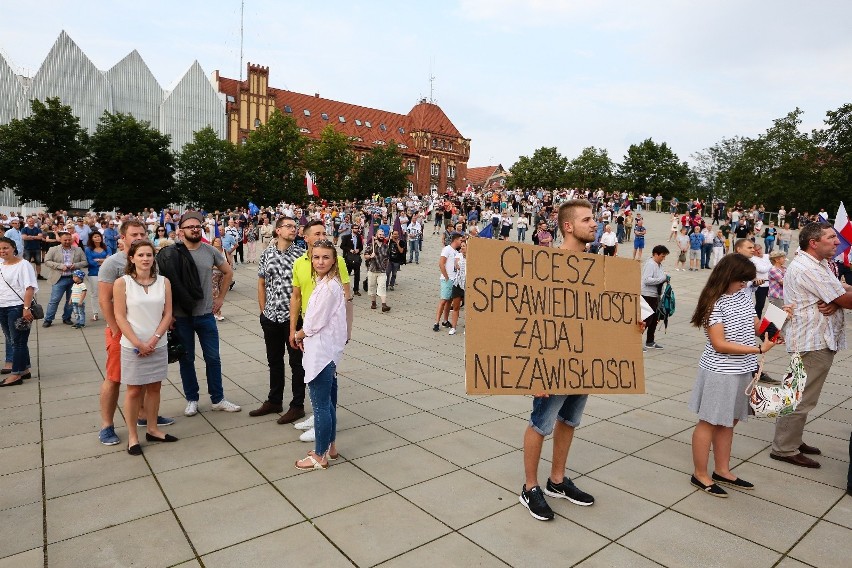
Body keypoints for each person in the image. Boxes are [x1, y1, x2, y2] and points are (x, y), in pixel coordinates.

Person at [520, 199, 597, 522]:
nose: (595, 223)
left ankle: (557, 480)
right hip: (552, 362)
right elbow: (532, 317)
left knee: (570, 420)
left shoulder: (596, 266)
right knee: (542, 423)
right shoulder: (548, 263)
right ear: (568, 226)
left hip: (583, 360)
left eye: (595, 218)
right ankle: (530, 487)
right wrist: (536, 371)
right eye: (587, 219)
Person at [687, 254, 779, 496]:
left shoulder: (744, 296)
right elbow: (719, 344)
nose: (744, 284)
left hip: (743, 369)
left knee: (730, 421)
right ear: (728, 276)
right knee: (709, 421)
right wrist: (758, 349)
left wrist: (779, 318)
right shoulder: (713, 302)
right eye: (741, 280)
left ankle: (722, 470)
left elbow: (757, 326)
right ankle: (700, 474)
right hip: (720, 371)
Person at [770, 222, 852, 468]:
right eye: (831, 238)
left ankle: (792, 438)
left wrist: (837, 301)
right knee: (800, 397)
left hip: (817, 339)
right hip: (812, 342)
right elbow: (844, 296)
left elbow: (840, 291)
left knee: (803, 394)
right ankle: (784, 448)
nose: (837, 242)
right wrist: (840, 300)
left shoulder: (820, 264)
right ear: (813, 243)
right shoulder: (808, 268)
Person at [159, 212, 241, 417]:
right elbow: (162, 285)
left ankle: (218, 398)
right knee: (186, 359)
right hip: (181, 316)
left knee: (213, 358)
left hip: (205, 314)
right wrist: (166, 314)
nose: (195, 229)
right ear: (181, 231)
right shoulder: (171, 253)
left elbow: (228, 272)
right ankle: (192, 399)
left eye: (198, 226)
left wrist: (220, 298)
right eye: (190, 227)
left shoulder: (210, 251)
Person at [289, 220, 353, 438]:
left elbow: (347, 297)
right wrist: (293, 328)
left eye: (324, 232)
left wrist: (347, 331)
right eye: (316, 233)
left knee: (325, 380)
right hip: (307, 326)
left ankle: (322, 428)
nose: (321, 236)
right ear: (305, 237)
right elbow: (296, 296)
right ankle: (317, 417)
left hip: (325, 330)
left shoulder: (337, 262)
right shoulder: (299, 263)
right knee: (312, 376)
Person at [113, 240, 176, 456]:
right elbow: (119, 316)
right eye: (140, 255)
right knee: (134, 390)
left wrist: (155, 339)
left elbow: (168, 313)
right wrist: (138, 343)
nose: (145, 259)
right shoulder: (122, 283)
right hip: (133, 345)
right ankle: (132, 436)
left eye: (149, 255)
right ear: (132, 258)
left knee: (155, 388)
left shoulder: (163, 282)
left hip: (158, 343)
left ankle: (152, 428)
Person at [293, 240, 348, 470]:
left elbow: (314, 323)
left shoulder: (328, 287)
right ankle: (330, 447)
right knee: (329, 403)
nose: (320, 261)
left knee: (321, 406)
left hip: (322, 353)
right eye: (316, 257)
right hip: (326, 350)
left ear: (334, 259)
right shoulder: (326, 283)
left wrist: (298, 334)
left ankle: (319, 455)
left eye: (325, 257)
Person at [252, 216, 308, 425]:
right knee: (274, 360)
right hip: (271, 317)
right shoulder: (267, 254)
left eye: (295, 226)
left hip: (293, 318)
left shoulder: (302, 255)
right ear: (278, 231)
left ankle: (297, 406)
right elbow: (261, 283)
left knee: (296, 363)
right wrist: (263, 311)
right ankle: (274, 400)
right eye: (289, 226)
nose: (294, 229)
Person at [0, 237, 36, 387]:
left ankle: (16, 374)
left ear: (14, 248)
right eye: (0, 249)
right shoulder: (1, 265)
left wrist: (26, 308)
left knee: (18, 342)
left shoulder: (23, 265)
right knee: (12, 339)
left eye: (5, 248)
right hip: (2, 306)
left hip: (17, 307)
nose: (2, 251)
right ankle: (25, 369)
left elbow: (30, 287)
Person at [42, 232, 87, 327]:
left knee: (71, 300)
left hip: (74, 279)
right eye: (65, 240)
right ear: (60, 240)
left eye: (69, 240)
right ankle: (48, 319)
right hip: (59, 278)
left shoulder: (78, 249)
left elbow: (84, 262)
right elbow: (47, 261)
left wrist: (76, 265)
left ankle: (67, 318)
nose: (67, 241)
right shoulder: (53, 249)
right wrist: (60, 266)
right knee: (54, 300)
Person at [642, 245, 670, 351]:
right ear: (655, 254)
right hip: (647, 295)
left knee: (654, 320)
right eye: (662, 256)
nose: (663, 258)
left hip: (655, 295)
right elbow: (646, 280)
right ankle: (634, 343)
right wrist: (662, 279)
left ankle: (650, 341)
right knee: (646, 320)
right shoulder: (650, 264)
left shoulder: (659, 265)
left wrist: (664, 279)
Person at [433, 232, 463, 331]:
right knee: (443, 300)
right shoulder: (447, 249)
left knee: (449, 301)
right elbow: (441, 263)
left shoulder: (456, 252)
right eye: (460, 240)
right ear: (455, 240)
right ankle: (436, 322)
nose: (461, 242)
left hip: (454, 279)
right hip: (448, 279)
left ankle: (445, 320)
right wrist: (446, 277)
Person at [85, 232, 110, 322]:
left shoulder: (106, 247)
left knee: (107, 294)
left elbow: (110, 260)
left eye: (99, 236)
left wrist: (99, 260)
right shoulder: (88, 249)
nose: (97, 238)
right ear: (92, 239)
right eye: (95, 237)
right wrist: (104, 260)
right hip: (94, 273)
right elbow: (91, 262)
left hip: (107, 273)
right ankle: (95, 313)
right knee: (95, 294)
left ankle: (108, 313)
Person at [364, 228, 391, 311]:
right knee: (372, 287)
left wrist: (386, 264)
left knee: (382, 287)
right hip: (372, 270)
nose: (382, 236)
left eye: (383, 235)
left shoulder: (386, 246)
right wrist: (370, 256)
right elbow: (365, 255)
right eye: (380, 234)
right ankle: (373, 303)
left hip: (382, 271)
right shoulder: (371, 245)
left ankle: (384, 305)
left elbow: (388, 257)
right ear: (376, 236)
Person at [447, 239, 467, 336]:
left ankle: (467, 327)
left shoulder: (473, 257)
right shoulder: (458, 255)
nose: (462, 247)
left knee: (468, 308)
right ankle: (453, 327)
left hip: (468, 285)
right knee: (456, 306)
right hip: (458, 283)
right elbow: (457, 265)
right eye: (461, 246)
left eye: (464, 246)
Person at [340, 224, 363, 296]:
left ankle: (356, 289)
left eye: (357, 228)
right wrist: (350, 250)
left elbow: (361, 247)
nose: (356, 229)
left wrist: (358, 250)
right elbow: (342, 246)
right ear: (352, 229)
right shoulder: (347, 237)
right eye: (355, 228)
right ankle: (344, 289)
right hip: (348, 258)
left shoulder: (359, 237)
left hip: (356, 257)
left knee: (357, 274)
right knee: (347, 274)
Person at [750, 244, 771, 317]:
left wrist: (769, 265)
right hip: (760, 285)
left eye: (759, 249)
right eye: (756, 250)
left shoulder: (767, 256)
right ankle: (756, 323)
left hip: (771, 284)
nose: (759, 252)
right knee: (760, 305)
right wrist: (771, 263)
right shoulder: (752, 259)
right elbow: (762, 270)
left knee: (774, 305)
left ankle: (773, 324)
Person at [210, 237, 226, 321]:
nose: (218, 242)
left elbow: (228, 261)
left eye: (219, 241)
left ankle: (213, 311)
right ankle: (217, 312)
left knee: (220, 293)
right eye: (216, 241)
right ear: (213, 242)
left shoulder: (224, 250)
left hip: (222, 274)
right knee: (215, 293)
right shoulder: (211, 251)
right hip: (213, 274)